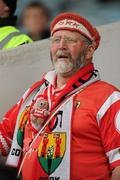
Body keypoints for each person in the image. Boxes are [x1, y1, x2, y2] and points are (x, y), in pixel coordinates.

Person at [0, 12, 120, 180]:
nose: (61, 45)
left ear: (89, 50)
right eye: (56, 40)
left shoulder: (110, 97)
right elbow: (3, 137)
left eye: (70, 40)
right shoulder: (35, 92)